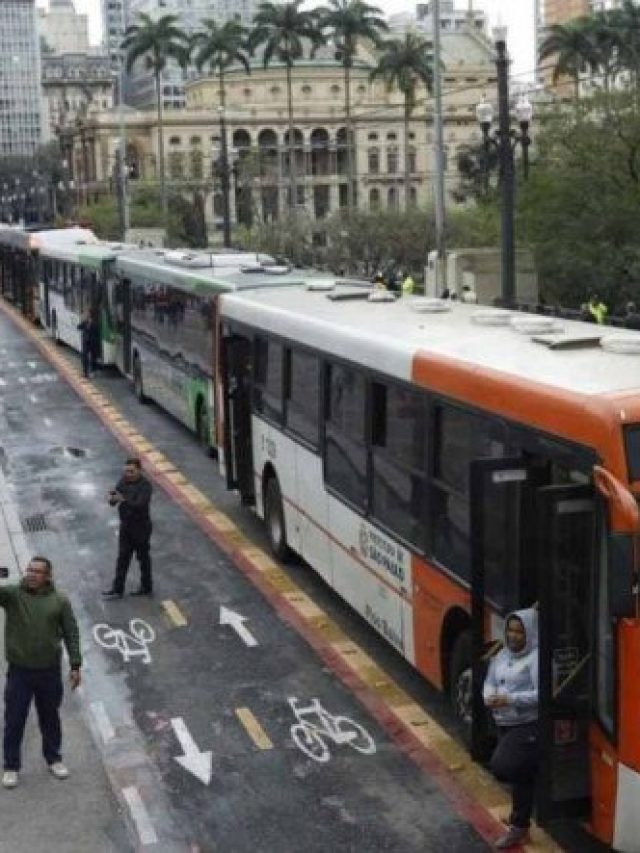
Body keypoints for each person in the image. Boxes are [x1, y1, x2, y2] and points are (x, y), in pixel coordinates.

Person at [1, 556, 81, 789]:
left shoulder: (60, 600)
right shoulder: (13, 595)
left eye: (37, 571)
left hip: (49, 671)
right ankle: (11, 766)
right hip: (20, 672)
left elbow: (71, 633)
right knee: (14, 719)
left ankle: (54, 759)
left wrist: (75, 664)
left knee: (50, 718)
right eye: (29, 570)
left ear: (48, 576)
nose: (32, 574)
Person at [484, 608, 538, 849]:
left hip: (527, 723)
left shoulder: (537, 658)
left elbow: (542, 695)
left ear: (530, 633)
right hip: (503, 721)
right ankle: (520, 823)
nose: (513, 636)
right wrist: (490, 697)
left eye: (519, 631)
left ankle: (520, 821)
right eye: (510, 630)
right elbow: (489, 681)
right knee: (521, 776)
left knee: (502, 766)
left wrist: (509, 699)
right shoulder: (503, 654)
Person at [103, 458, 153, 599]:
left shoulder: (145, 486)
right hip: (126, 526)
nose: (128, 474)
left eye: (131, 471)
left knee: (143, 559)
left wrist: (122, 499)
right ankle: (117, 589)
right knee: (122, 558)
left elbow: (140, 505)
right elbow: (114, 499)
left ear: (139, 470)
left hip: (141, 528)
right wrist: (112, 499)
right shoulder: (123, 481)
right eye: (126, 471)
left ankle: (146, 586)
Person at [77, 308, 100, 377]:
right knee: (85, 357)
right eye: (86, 314)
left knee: (93, 357)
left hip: (92, 342)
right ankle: (85, 372)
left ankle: (93, 370)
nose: (86, 315)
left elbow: (96, 332)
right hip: (86, 342)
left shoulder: (95, 323)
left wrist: (89, 326)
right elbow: (78, 327)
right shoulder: (85, 322)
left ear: (90, 315)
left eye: (88, 313)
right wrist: (83, 320)